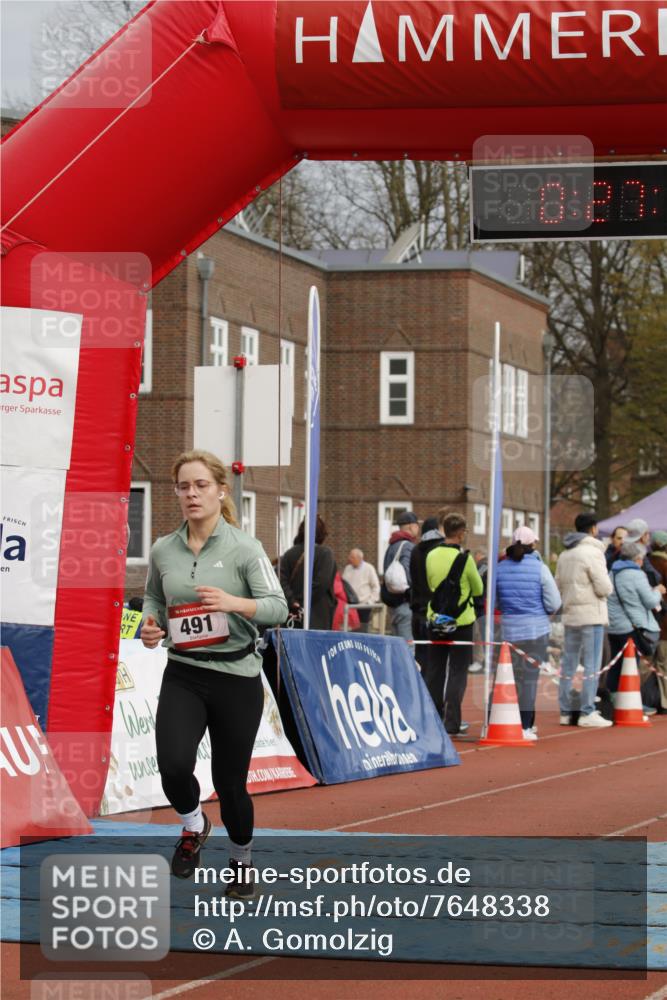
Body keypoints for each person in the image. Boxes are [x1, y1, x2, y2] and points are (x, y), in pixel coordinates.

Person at [141, 449, 287, 890]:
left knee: (230, 783)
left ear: (221, 491)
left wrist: (233, 603)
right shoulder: (163, 548)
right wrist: (151, 623)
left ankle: (241, 862)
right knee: (172, 766)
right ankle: (193, 824)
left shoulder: (245, 548)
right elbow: (154, 597)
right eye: (183, 486)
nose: (191, 494)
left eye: (201, 485)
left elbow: (277, 608)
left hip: (236, 677)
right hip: (184, 671)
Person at [495, 527, 561, 740]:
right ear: (533, 545)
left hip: (509, 630)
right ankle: (525, 725)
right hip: (536, 630)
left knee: (509, 678)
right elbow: (554, 602)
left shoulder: (500, 568)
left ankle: (505, 720)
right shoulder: (540, 568)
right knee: (529, 680)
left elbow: (494, 601)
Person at [425, 511, 484, 736]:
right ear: (461, 533)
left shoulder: (431, 555)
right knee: (457, 672)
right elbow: (478, 589)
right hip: (461, 621)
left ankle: (433, 719)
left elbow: (431, 583)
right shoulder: (465, 559)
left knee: (435, 670)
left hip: (436, 619)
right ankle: (452, 722)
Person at [555, 512, 613, 728]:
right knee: (592, 664)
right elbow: (604, 587)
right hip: (591, 615)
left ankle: (565, 710)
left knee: (568, 664)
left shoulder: (564, 555)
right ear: (594, 528)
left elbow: (558, 584)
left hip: (571, 615)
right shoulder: (593, 552)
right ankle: (587, 711)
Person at [606, 540, 664, 692]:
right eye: (642, 559)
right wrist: (658, 591)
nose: (642, 562)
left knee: (616, 665)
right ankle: (630, 700)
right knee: (632, 666)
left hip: (613, 627)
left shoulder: (612, 573)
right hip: (631, 627)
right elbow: (650, 602)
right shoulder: (637, 575)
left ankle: (613, 699)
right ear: (637, 559)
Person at [279, 516, 337, 630]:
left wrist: (293, 601)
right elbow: (322, 583)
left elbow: (281, 580)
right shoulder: (325, 554)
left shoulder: (289, 554)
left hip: (293, 615)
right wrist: (303, 601)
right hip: (317, 615)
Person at [409, 515, 445, 676]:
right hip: (435, 613)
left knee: (421, 657)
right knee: (437, 661)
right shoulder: (441, 550)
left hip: (417, 612)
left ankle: (420, 688)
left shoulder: (415, 550)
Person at [381, 511, 420, 641]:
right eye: (417, 525)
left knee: (397, 645)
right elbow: (409, 574)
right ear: (410, 526)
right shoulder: (408, 546)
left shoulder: (392, 545)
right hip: (404, 603)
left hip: (392, 603)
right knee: (408, 646)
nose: (418, 528)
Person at [647, 531, 667, 711]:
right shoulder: (664, 564)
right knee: (663, 662)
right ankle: (664, 702)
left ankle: (655, 700)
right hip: (663, 623)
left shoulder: (646, 562)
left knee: (653, 664)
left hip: (651, 622)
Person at [343, 548, 380, 633]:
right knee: (351, 630)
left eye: (352, 557)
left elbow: (376, 587)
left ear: (360, 558)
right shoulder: (347, 568)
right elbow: (344, 585)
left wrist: (370, 602)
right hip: (350, 605)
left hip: (363, 605)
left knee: (362, 630)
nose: (349, 559)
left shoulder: (369, 568)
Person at [625, 517, 661, 587]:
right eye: (647, 533)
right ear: (643, 536)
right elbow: (652, 577)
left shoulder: (625, 551)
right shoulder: (639, 554)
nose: (649, 536)